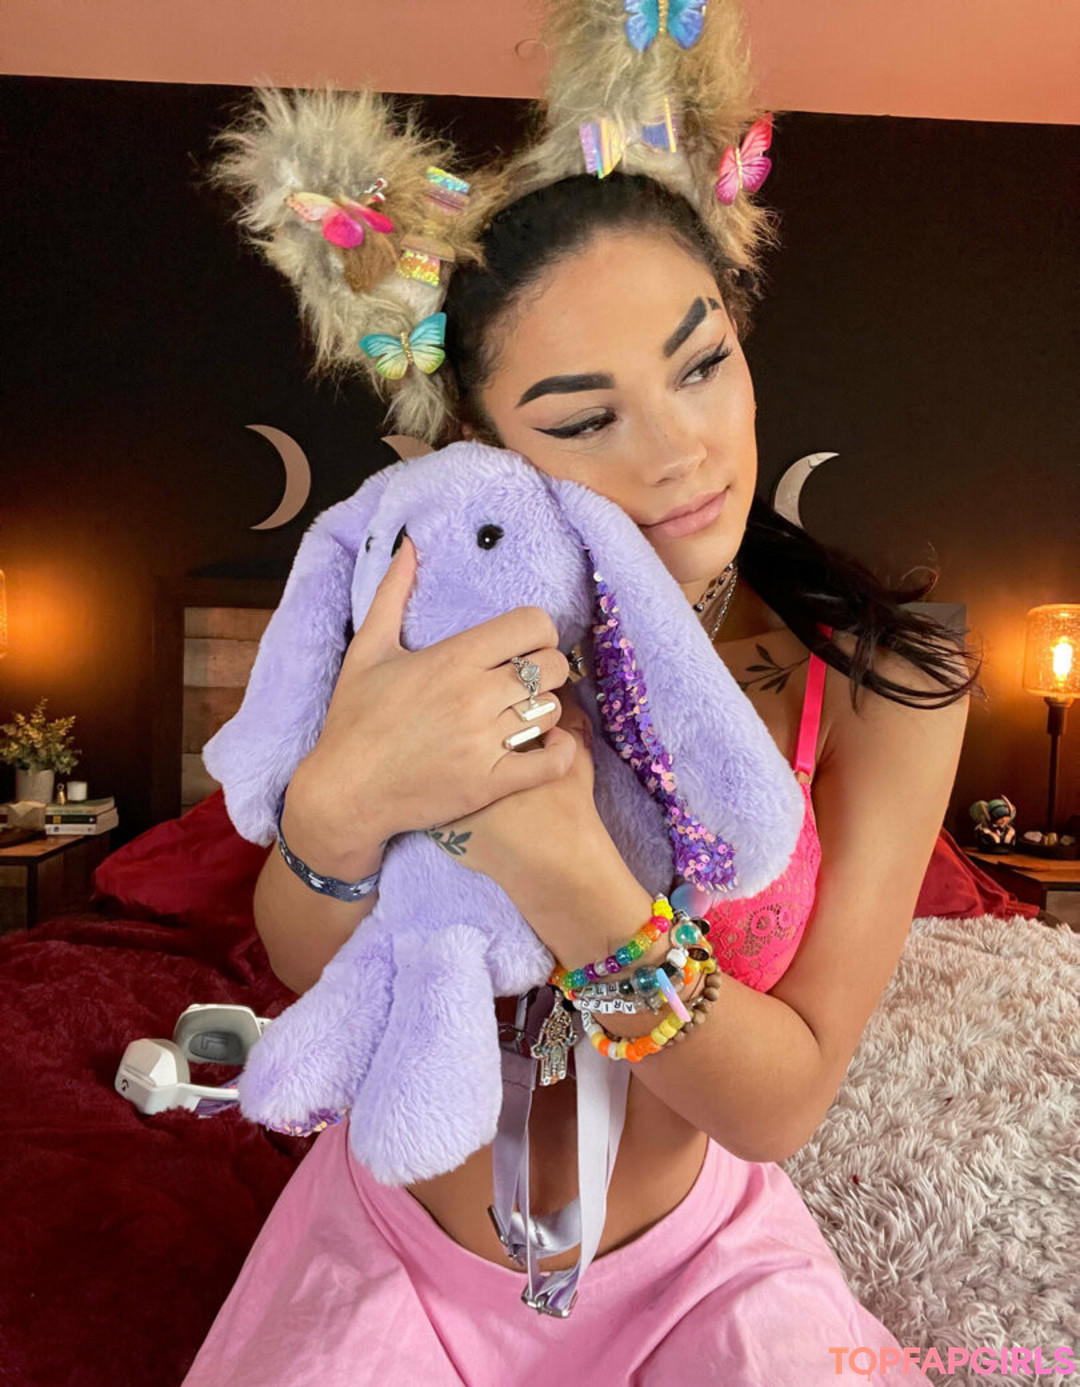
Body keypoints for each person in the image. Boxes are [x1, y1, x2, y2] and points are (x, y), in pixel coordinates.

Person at [184, 5, 982, 1378]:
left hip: (699, 1266)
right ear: (482, 445)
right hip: (397, 1245)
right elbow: (311, 961)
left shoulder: (880, 686)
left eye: (702, 362)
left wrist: (564, 869)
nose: (679, 453)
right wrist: (334, 806)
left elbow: (781, 1104)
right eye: (584, 416)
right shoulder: (404, 630)